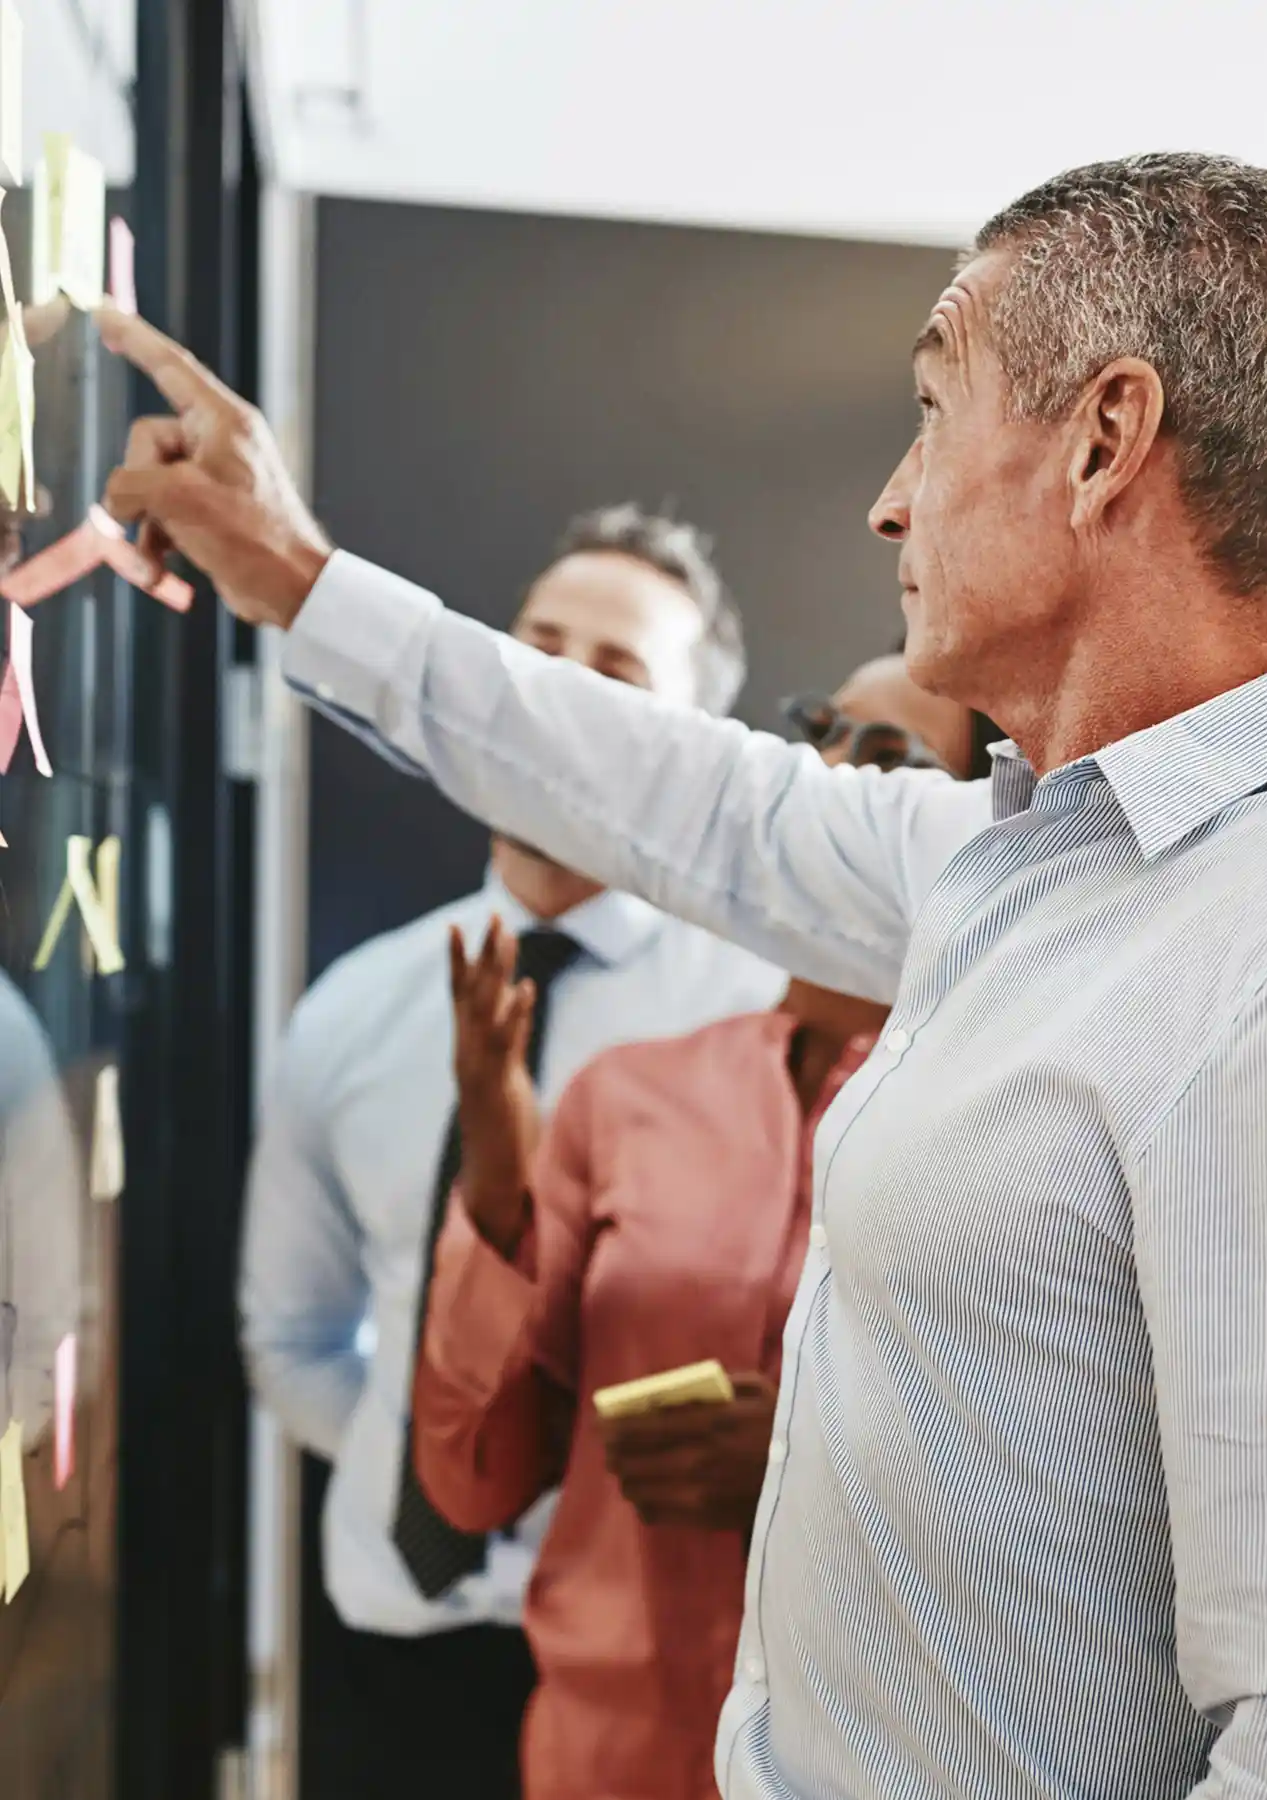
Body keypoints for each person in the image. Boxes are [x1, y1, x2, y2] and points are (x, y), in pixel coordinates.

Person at [99, 150, 1267, 1797]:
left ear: (1103, 441)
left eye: (934, 406)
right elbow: (699, 801)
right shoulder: (1028, 864)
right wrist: (291, 577)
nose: (891, 497)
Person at [239, 506, 782, 1800]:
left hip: (663, 1661)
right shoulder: (359, 1007)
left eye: (615, 672)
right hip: (394, 1642)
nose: (553, 696)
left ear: (690, 738)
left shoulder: (763, 1018)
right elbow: (292, 1340)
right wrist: (428, 1461)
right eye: (535, 650)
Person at [409, 655, 966, 1800]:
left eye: (886, 760)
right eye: (818, 728)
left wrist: (820, 1473)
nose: (823, 778)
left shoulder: (1009, 1124)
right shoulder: (624, 1099)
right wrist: (499, 1192)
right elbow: (474, 1481)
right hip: (603, 1757)